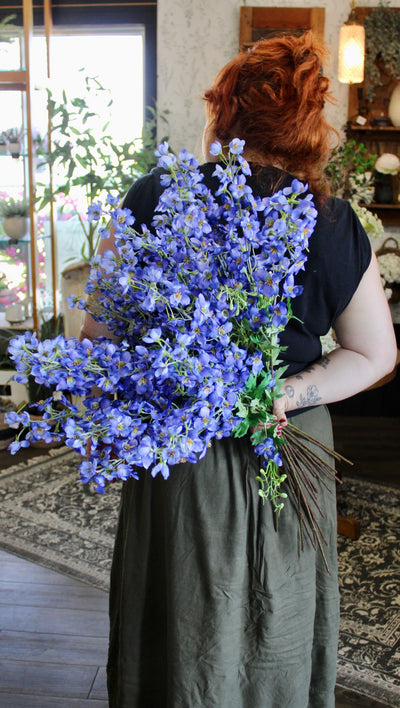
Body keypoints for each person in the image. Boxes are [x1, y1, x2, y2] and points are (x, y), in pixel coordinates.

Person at [80, 31, 397, 708]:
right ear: (310, 125)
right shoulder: (330, 220)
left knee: (178, 611)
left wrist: (144, 404)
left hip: (181, 456)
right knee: (274, 608)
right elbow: (377, 354)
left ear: (222, 112)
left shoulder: (151, 196)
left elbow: (98, 339)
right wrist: (283, 393)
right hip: (290, 442)